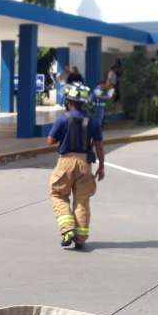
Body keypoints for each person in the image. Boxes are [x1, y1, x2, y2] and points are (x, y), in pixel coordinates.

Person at [47, 83, 105, 250]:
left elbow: (51, 141)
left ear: (69, 101)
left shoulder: (62, 119)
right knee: (82, 201)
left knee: (58, 194)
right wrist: (101, 167)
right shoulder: (93, 122)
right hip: (85, 163)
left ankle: (67, 230)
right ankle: (80, 238)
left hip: (65, 162)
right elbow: (99, 146)